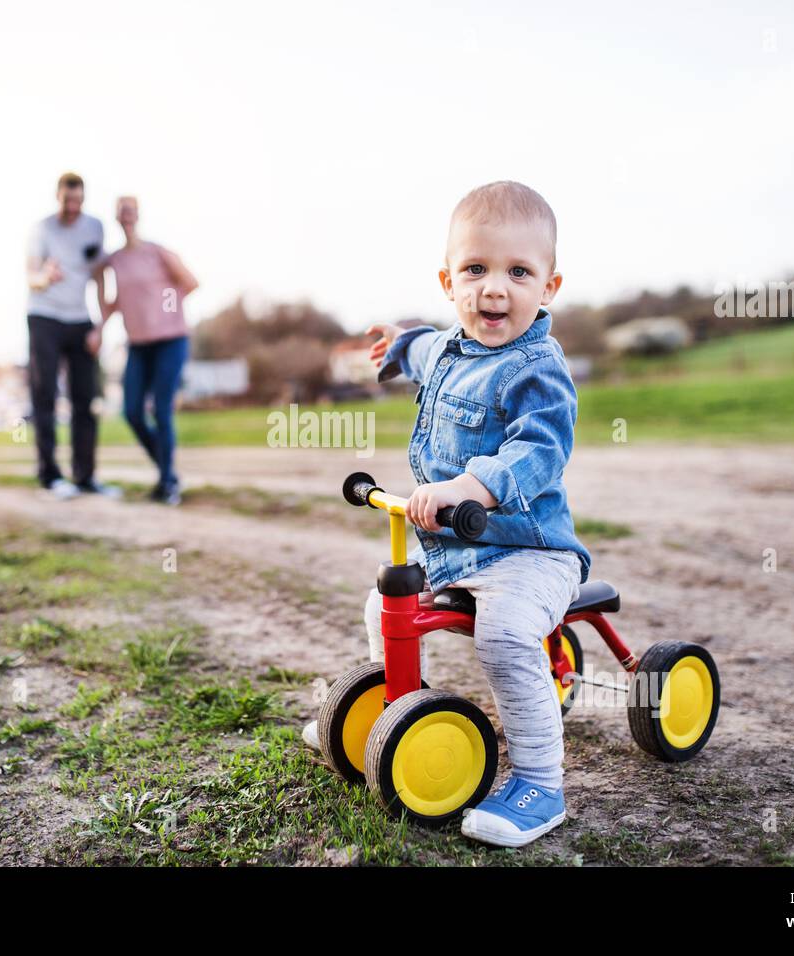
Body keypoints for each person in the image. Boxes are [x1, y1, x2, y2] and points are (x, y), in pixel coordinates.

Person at [304, 181, 591, 848]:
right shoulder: (448, 348)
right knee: (385, 607)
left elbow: (540, 451)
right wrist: (398, 343)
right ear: (448, 280)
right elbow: (426, 348)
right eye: (476, 270)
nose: (495, 289)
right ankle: (389, 713)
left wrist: (471, 485)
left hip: (529, 553)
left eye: (519, 272)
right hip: (453, 551)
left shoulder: (538, 369)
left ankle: (541, 785)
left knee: (505, 639)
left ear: (549, 286)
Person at [95, 196, 198, 505]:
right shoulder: (115, 259)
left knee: (161, 409)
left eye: (130, 211)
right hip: (138, 345)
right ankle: (168, 471)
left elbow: (191, 283)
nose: (126, 216)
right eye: (121, 212)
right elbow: (112, 296)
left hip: (170, 340)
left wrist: (163, 303)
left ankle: (167, 483)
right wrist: (98, 327)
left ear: (137, 215)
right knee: (132, 412)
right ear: (116, 218)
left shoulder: (158, 252)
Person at [25, 171, 121, 500]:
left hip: (80, 318)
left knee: (85, 398)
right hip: (44, 317)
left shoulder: (94, 227)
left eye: (78, 200)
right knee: (45, 396)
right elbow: (31, 277)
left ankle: (85, 476)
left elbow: (98, 276)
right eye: (67, 201)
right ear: (57, 197)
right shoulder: (42, 229)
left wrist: (99, 326)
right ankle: (50, 475)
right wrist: (45, 277)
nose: (73, 207)